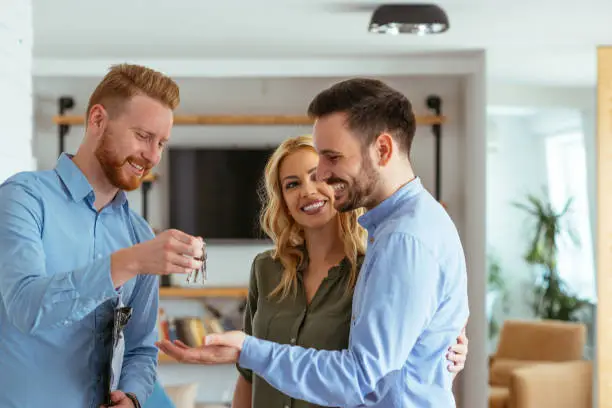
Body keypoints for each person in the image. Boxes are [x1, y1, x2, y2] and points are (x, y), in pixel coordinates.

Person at [158, 79, 470, 406]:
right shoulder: (396, 230)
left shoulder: (402, 240)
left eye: (332, 157)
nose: (320, 176)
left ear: (383, 149)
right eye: (293, 182)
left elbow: (360, 378)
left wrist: (249, 349)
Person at [0, 63, 204, 408]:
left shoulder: (138, 233)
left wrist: (134, 396)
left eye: (162, 143)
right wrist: (129, 261)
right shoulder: (23, 197)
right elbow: (26, 307)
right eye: (143, 136)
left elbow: (140, 346)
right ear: (98, 120)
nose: (153, 156)